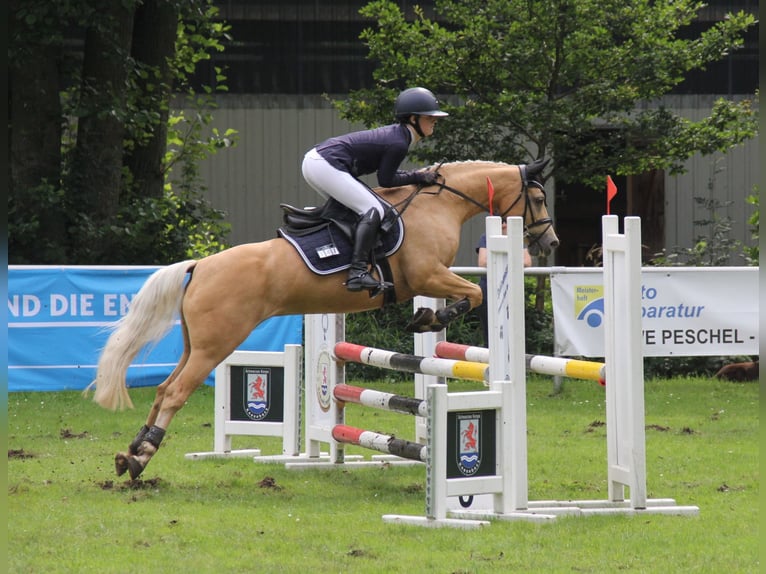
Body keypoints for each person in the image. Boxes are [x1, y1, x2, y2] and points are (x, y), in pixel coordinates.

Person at [302, 87, 448, 293]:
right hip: (325, 163)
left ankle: (338, 260)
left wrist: (417, 175)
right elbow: (387, 180)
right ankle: (357, 272)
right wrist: (420, 176)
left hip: (318, 162)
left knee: (355, 211)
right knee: (374, 210)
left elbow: (388, 177)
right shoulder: (399, 142)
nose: (435, 120)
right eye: (429, 117)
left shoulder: (399, 137)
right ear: (413, 119)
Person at [475, 222, 532, 346]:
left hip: (513, 289)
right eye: (500, 221)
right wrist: (514, 261)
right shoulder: (485, 237)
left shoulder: (517, 238)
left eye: (504, 221)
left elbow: (527, 261)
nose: (502, 224)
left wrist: (501, 262)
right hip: (488, 289)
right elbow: (483, 261)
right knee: (490, 332)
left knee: (514, 330)